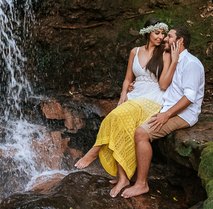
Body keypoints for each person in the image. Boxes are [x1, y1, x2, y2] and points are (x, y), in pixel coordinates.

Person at [74, 19, 180, 197]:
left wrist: (174, 60)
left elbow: (164, 84)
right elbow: (127, 78)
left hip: (153, 99)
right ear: (148, 33)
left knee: (114, 117)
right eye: (157, 33)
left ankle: (94, 151)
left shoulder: (165, 54)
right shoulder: (135, 51)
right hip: (134, 96)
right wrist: (124, 93)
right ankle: (123, 177)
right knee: (121, 126)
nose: (161, 37)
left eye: (163, 34)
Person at [121, 26, 204, 198]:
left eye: (170, 37)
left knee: (141, 133)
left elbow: (189, 97)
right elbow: (160, 84)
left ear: (180, 41)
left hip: (183, 114)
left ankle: (141, 184)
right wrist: (132, 85)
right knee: (129, 120)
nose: (165, 39)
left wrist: (166, 115)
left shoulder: (191, 64)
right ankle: (125, 175)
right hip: (165, 106)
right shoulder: (173, 60)